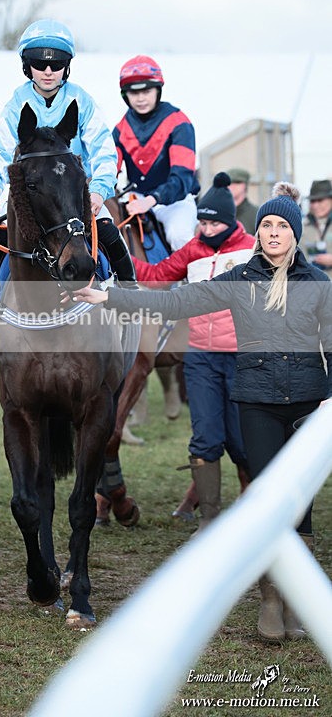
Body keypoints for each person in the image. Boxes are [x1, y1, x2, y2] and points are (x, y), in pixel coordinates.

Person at [72, 182, 331, 642]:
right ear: (257, 233)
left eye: (281, 226)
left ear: (294, 233)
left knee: (302, 506)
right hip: (258, 405)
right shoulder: (239, 280)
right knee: (275, 502)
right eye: (266, 225)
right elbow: (173, 301)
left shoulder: (318, 285)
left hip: (307, 408)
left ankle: (294, 599)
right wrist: (110, 296)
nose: (273, 232)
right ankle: (271, 601)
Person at [0, 18, 137, 336]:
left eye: (57, 64)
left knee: (108, 232)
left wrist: (100, 190)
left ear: (66, 67)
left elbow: (104, 151)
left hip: (75, 198)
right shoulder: (15, 106)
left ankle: (131, 298)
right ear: (27, 66)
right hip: (31, 200)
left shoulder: (82, 102)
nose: (48, 71)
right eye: (39, 64)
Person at [131, 172, 255, 529]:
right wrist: (118, 254)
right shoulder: (195, 248)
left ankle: (254, 512)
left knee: (241, 440)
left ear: (228, 222)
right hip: (200, 357)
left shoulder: (251, 248)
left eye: (212, 222)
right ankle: (209, 519)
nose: (204, 228)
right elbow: (157, 276)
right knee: (204, 437)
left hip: (243, 357)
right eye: (201, 221)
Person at [113, 55, 199, 252]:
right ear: (125, 95)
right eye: (134, 93)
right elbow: (109, 173)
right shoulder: (119, 130)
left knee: (179, 236)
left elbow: (183, 178)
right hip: (135, 198)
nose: (141, 98)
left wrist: (151, 200)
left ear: (158, 90)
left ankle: (199, 282)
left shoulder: (179, 123)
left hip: (175, 202)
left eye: (147, 91)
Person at [300, 178, 332, 279]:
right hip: (313, 287)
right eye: (312, 201)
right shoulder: (303, 226)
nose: (315, 205)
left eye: (320, 200)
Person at [227, 168, 259, 234]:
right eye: (229, 182)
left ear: (245, 185)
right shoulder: (219, 212)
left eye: (237, 182)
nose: (232, 186)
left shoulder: (256, 215)